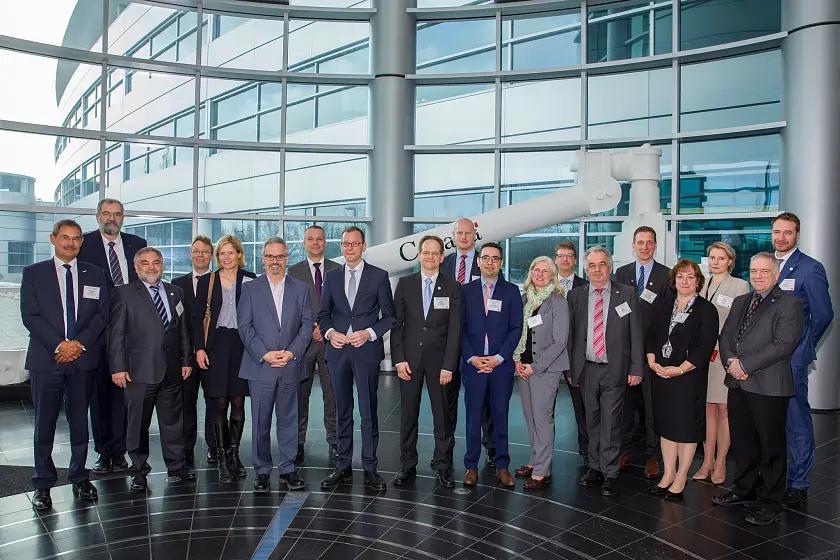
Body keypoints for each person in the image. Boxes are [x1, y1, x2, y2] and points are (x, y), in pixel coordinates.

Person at [20, 219, 108, 510]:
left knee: (80, 423)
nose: (71, 243)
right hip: (47, 360)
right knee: (44, 424)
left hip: (82, 359)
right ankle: (43, 483)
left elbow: (101, 315)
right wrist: (60, 345)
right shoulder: (34, 273)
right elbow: (30, 316)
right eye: (65, 238)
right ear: (53, 239)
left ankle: (80, 477)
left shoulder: (94, 274)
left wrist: (78, 345)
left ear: (82, 242)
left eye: (76, 239)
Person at [714, 253, 804, 526]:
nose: (758, 276)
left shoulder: (790, 304)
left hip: (768, 385)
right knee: (743, 443)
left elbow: (782, 345)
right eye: (754, 271)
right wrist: (731, 363)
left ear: (776, 275)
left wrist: (745, 366)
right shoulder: (742, 301)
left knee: (771, 447)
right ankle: (744, 489)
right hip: (738, 382)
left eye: (765, 271)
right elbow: (726, 335)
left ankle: (771, 502)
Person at [109, 247, 194, 491]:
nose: (151, 267)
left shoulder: (175, 292)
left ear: (162, 265)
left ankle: (176, 467)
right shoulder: (124, 294)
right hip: (139, 371)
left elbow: (183, 331)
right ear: (136, 268)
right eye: (145, 263)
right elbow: (116, 333)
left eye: (156, 263)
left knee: (173, 423)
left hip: (172, 371)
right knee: (138, 425)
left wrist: (186, 360)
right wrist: (117, 367)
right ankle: (138, 471)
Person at [318, 226, 396, 491]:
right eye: (345, 244)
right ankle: (343, 467)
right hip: (338, 352)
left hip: (365, 352)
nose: (349, 248)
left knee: (368, 411)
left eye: (355, 243)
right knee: (341, 411)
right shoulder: (331, 276)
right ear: (340, 246)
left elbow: (389, 316)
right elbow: (323, 315)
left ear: (363, 246)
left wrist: (369, 333)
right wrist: (330, 333)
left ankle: (370, 467)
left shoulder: (379, 276)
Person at [238, 238, 313, 494]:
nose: (274, 261)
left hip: (290, 365)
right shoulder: (249, 289)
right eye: (270, 256)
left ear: (287, 259)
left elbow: (306, 325)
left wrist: (291, 353)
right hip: (261, 366)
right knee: (260, 422)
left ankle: (288, 469)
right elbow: (244, 327)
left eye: (279, 257)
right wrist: (265, 354)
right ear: (262, 258)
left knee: (289, 420)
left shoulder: (301, 288)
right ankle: (261, 470)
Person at [78, 198, 147, 475]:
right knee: (99, 394)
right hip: (97, 329)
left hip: (130, 329)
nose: (112, 219)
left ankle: (119, 451)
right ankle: (103, 451)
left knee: (124, 394)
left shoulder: (136, 242)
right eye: (106, 214)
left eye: (117, 214)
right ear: (97, 217)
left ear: (123, 217)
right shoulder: (85, 244)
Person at [770, 213, 834, 508]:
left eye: (788, 232)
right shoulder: (765, 267)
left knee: (796, 421)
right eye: (777, 232)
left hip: (792, 360)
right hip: (765, 359)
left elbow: (823, 315)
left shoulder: (810, 268)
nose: (781, 237)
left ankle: (798, 483)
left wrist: (803, 347)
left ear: (797, 235)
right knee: (770, 420)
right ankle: (772, 476)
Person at [568, 247, 643, 497]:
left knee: (612, 423)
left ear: (610, 268)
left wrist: (635, 367)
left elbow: (635, 334)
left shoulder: (627, 294)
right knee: (591, 421)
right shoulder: (576, 295)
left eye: (602, 265)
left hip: (615, 368)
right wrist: (571, 369)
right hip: (586, 369)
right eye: (592, 265)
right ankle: (594, 467)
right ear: (586, 269)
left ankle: (610, 472)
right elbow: (572, 336)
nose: (597, 270)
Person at [392, 235, 462, 489]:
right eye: (426, 252)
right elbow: (397, 326)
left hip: (439, 363)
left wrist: (449, 365)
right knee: (408, 415)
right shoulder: (404, 284)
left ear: (441, 258)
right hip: (409, 362)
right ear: (419, 255)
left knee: (442, 416)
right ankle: (407, 465)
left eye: (435, 253)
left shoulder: (453, 287)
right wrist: (398, 360)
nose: (430, 257)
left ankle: (442, 465)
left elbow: (455, 330)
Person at [645, 260, 718, 500]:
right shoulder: (664, 305)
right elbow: (652, 335)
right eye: (680, 277)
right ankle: (668, 474)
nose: (684, 282)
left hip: (688, 379)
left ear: (698, 281)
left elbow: (703, 347)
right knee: (666, 427)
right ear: (674, 281)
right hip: (662, 375)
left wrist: (680, 370)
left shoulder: (707, 310)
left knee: (685, 429)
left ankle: (681, 477)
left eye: (690, 277)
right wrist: (652, 360)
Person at [191, 235, 256, 483]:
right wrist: (199, 349)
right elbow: (197, 319)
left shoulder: (250, 280)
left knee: (238, 401)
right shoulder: (208, 281)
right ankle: (221, 458)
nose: (226, 258)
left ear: (239, 254)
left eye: (231, 253)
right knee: (218, 402)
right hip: (215, 346)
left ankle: (234, 454)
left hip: (242, 346)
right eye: (222, 254)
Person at [460, 242, 523, 488]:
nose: (490, 262)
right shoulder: (465, 291)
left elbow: (516, 328)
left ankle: (502, 466)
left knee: (500, 416)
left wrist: (498, 358)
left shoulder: (511, 291)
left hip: (500, 367)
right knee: (473, 417)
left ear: (501, 263)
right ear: (478, 261)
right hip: (473, 365)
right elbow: (459, 329)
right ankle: (471, 466)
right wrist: (472, 357)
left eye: (495, 258)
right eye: (485, 258)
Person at [614, 226, 671, 479]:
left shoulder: (666, 275)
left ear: (655, 245)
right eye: (640, 242)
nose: (645, 246)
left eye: (649, 242)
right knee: (623, 406)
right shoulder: (622, 273)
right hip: (624, 351)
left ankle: (653, 456)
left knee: (651, 407)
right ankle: (624, 450)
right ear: (633, 245)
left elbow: (667, 317)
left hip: (652, 352)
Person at [692, 242, 749, 485]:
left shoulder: (739, 285)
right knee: (706, 410)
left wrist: (724, 350)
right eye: (712, 257)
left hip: (724, 356)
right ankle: (706, 460)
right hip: (701, 357)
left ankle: (721, 461)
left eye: (721, 258)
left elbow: (741, 325)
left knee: (724, 409)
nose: (715, 262)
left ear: (730, 262)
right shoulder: (700, 284)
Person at [440, 218, 496, 469]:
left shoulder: (487, 262)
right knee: (447, 399)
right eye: (459, 233)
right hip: (448, 341)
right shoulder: (445, 262)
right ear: (453, 236)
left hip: (479, 342)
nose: (464, 237)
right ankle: (447, 448)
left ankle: (492, 450)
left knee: (485, 401)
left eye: (468, 233)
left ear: (475, 235)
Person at [513, 257, 570, 490]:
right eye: (536, 269)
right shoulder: (525, 299)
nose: (540, 274)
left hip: (545, 370)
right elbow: (518, 333)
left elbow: (560, 342)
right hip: (523, 368)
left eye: (545, 271)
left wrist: (534, 366)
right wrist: (517, 360)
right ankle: (535, 461)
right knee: (530, 417)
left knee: (543, 418)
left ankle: (542, 470)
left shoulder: (558, 302)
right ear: (530, 273)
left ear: (552, 275)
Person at [287, 225, 340, 461]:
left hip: (331, 342)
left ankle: (335, 441)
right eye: (311, 239)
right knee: (300, 395)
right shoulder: (293, 272)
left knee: (334, 395)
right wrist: (311, 329)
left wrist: (326, 329)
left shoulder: (338, 270)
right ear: (304, 243)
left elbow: (343, 306)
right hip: (303, 343)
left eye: (319, 239)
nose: (315, 243)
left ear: (325, 242)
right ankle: (297, 441)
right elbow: (290, 308)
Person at [172, 235, 218, 465]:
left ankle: (214, 446)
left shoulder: (219, 282)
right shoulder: (176, 285)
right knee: (186, 403)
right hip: (186, 356)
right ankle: (186, 447)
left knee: (213, 402)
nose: (200, 255)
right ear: (190, 255)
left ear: (212, 256)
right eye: (196, 251)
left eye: (205, 251)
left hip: (211, 355)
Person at [554, 241, 589, 465]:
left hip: (577, 354)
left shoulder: (585, 286)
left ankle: (586, 450)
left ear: (575, 260)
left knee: (582, 407)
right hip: (548, 354)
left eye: (569, 256)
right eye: (561, 255)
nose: (565, 259)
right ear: (555, 259)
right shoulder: (545, 283)